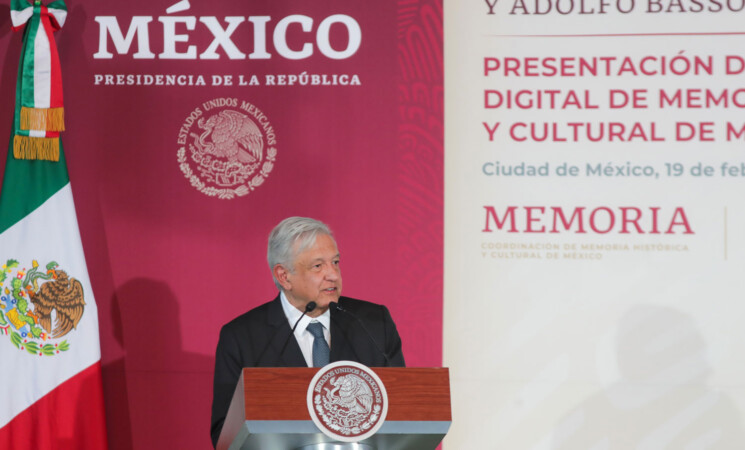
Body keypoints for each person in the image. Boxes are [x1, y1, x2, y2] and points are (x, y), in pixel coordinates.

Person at [210, 217, 405, 447]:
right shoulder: (242, 337)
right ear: (284, 276)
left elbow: (402, 412)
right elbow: (225, 433)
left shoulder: (373, 323)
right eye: (318, 266)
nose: (332, 274)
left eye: (335, 262)